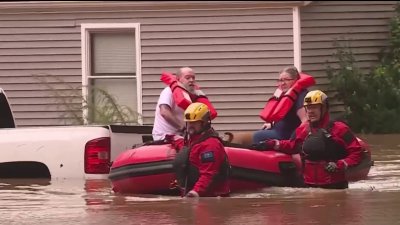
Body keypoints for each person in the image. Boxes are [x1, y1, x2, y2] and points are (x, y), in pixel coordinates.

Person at [251, 90, 364, 189]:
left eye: (314, 107)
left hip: (334, 186)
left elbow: (357, 153)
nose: (310, 111)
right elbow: (293, 145)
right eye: (308, 108)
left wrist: (340, 164)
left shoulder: (340, 129)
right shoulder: (303, 130)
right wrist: (272, 144)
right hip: (309, 186)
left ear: (324, 108)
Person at [172, 102, 230, 197]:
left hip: (210, 197)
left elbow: (209, 174)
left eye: (194, 122)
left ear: (204, 122)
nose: (191, 125)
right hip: (193, 193)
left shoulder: (211, 145)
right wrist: (172, 139)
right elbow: (186, 149)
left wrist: (195, 192)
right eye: (189, 122)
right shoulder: (193, 140)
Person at [253, 66, 314, 143]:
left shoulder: (301, 96)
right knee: (262, 131)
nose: (282, 83)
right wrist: (271, 125)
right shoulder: (284, 94)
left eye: (286, 80)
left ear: (296, 80)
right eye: (280, 80)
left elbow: (305, 122)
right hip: (279, 131)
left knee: (257, 136)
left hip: (288, 135)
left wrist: (295, 141)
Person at [152, 67, 197, 141]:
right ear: (178, 79)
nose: (191, 80)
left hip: (181, 136)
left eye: (193, 78)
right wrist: (182, 127)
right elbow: (164, 112)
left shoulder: (189, 95)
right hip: (165, 136)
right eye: (187, 78)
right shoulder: (168, 91)